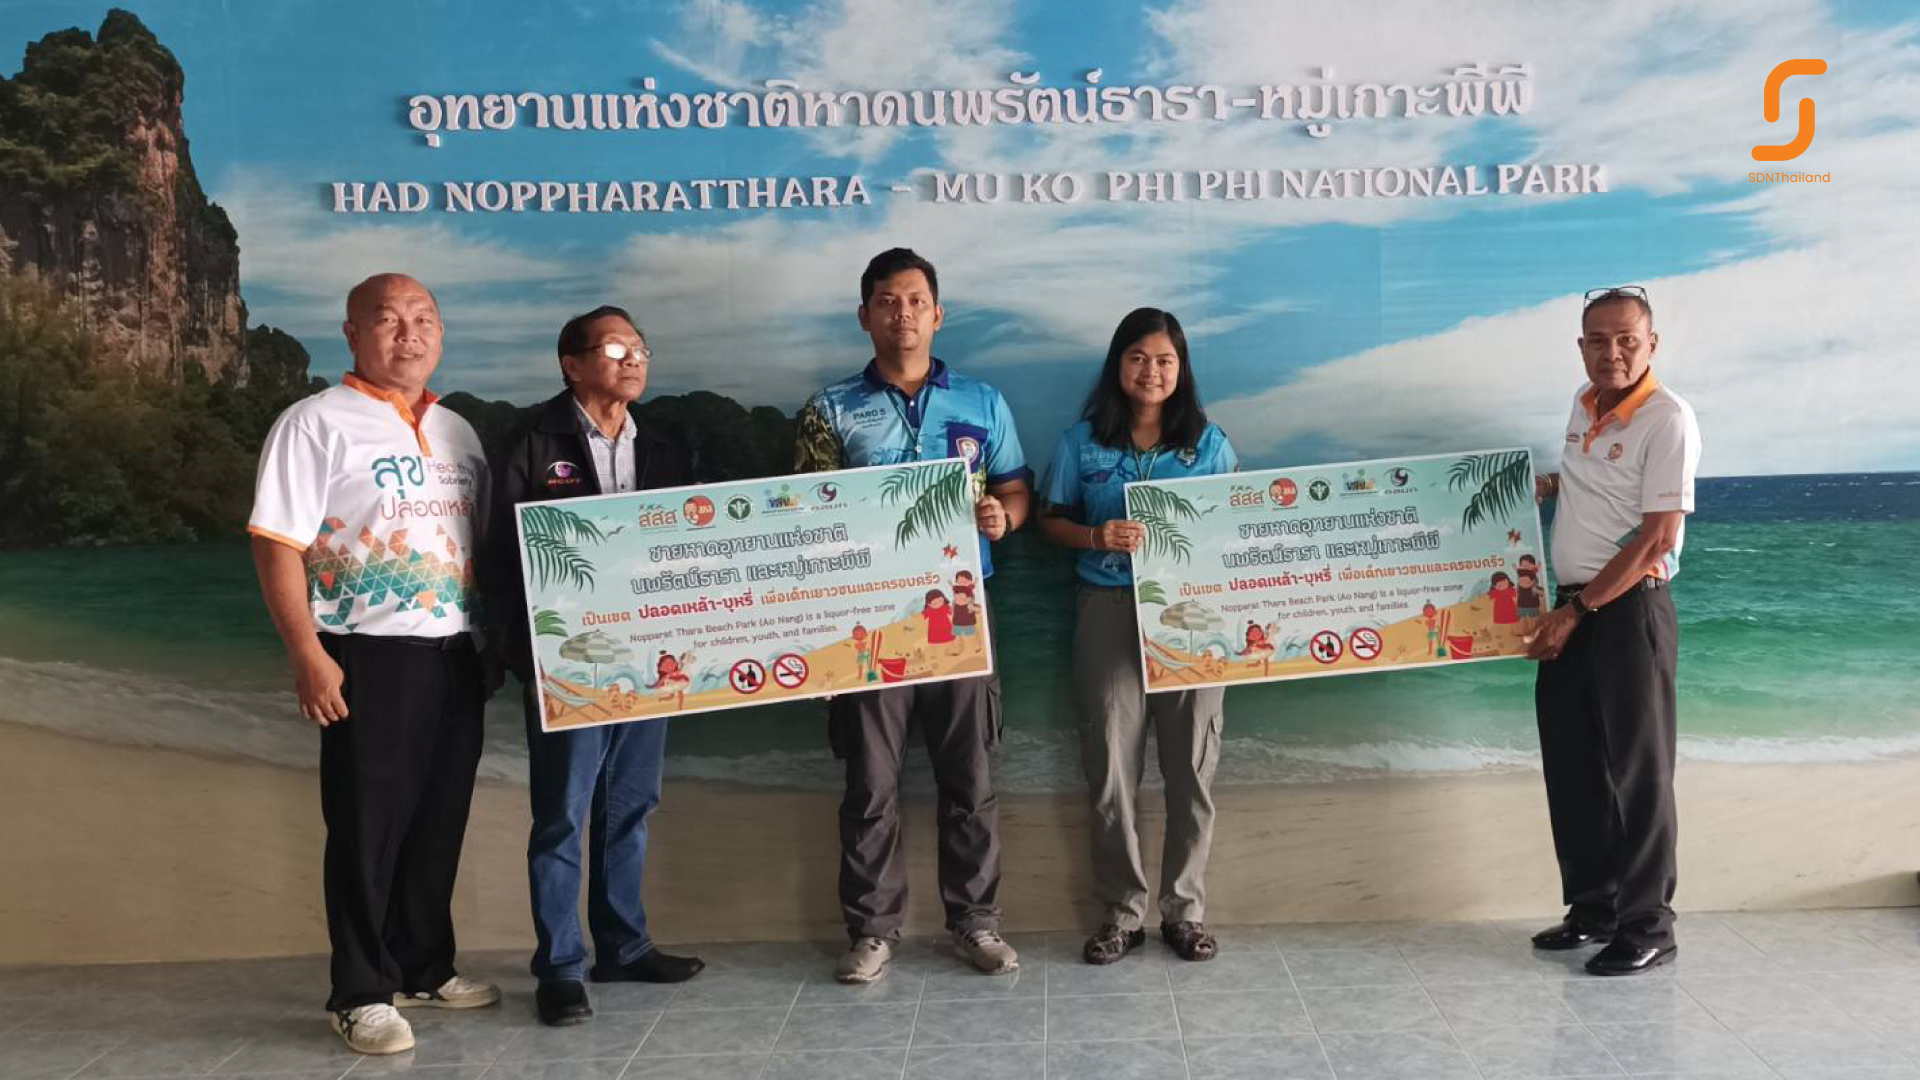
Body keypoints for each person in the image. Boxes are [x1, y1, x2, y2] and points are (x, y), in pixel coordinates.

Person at [248, 274, 499, 1055]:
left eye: (424, 318)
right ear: (352, 333)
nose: (409, 334)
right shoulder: (314, 424)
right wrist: (307, 654)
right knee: (366, 825)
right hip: (366, 652)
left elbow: (483, 549)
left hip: (456, 652)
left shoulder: (460, 432)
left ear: (442, 333)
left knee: (438, 819)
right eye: (388, 320)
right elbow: (275, 542)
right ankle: (360, 990)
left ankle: (424, 964)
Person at [794, 247, 1031, 983]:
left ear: (938, 313)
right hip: (864, 622)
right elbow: (804, 519)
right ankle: (871, 930)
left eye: (916, 300)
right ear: (865, 315)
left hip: (960, 615)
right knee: (870, 782)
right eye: (888, 301)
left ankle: (976, 923)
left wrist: (1003, 518)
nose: (904, 314)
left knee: (969, 776)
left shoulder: (983, 402)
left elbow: (1019, 490)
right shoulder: (829, 410)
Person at [485, 306, 704, 1028]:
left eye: (640, 347)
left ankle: (623, 944)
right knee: (562, 816)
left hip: (649, 659)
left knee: (631, 806)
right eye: (615, 348)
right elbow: (497, 556)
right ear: (572, 364)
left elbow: (691, 555)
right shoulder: (529, 438)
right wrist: (518, 649)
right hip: (566, 664)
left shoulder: (667, 446)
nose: (633, 359)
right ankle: (560, 967)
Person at [1037, 307, 1240, 965]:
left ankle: (1185, 910)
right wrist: (1094, 535)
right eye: (1137, 357)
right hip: (1107, 607)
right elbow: (1051, 519)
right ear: (1117, 365)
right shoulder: (1080, 443)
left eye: (1164, 360)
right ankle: (1122, 913)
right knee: (1109, 770)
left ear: (1181, 371)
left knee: (1192, 767)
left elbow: (1238, 528)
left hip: (1193, 618)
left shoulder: (1209, 445)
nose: (1150, 371)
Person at [1525, 286, 1700, 976]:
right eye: (1598, 340)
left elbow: (1656, 537)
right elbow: (1602, 488)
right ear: (1581, 346)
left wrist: (1579, 611)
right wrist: (1549, 485)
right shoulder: (1583, 402)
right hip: (1574, 606)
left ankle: (1649, 924)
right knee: (1573, 765)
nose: (1612, 352)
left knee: (1639, 771)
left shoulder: (1668, 418)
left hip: (1626, 614)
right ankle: (1593, 910)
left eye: (1627, 339)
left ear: (1651, 344)